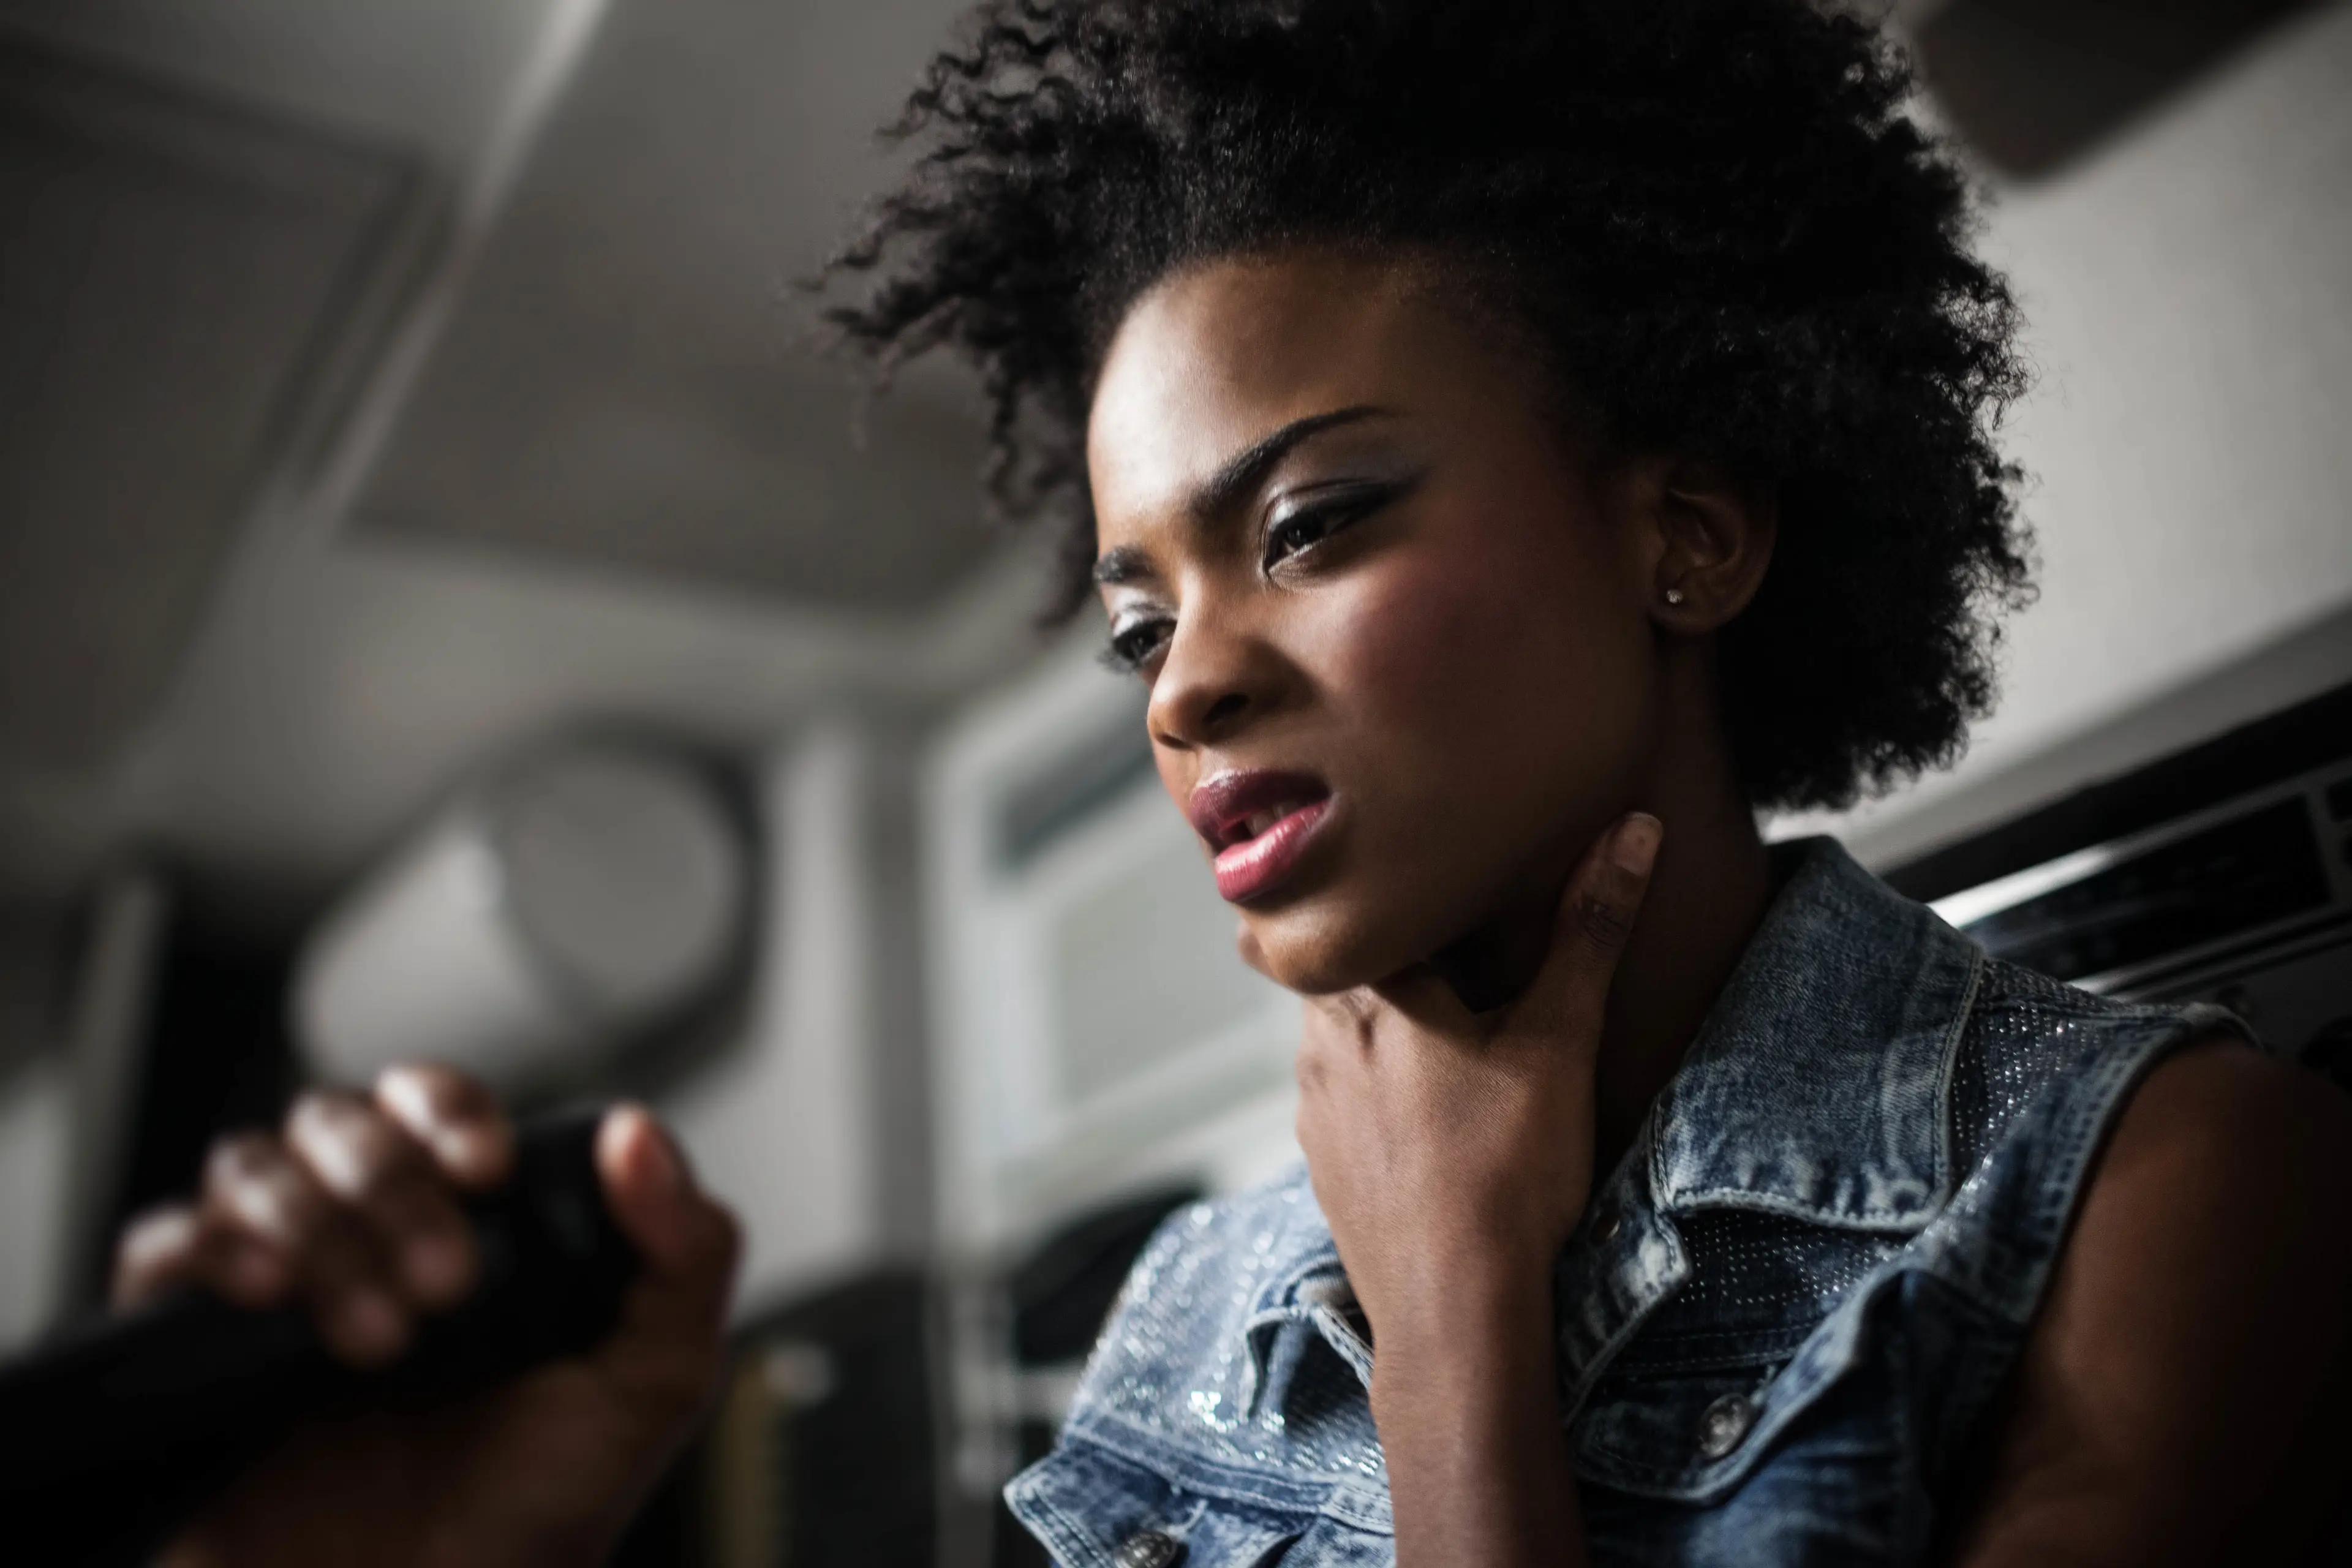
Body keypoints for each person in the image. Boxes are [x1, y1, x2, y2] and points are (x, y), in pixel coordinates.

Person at [115, 1, 2352, 1564]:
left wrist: (1457, 1344)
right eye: (1135, 623)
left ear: (1684, 533)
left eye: (1308, 525)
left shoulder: (2155, 1189)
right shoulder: (1192, 1300)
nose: (1181, 691)